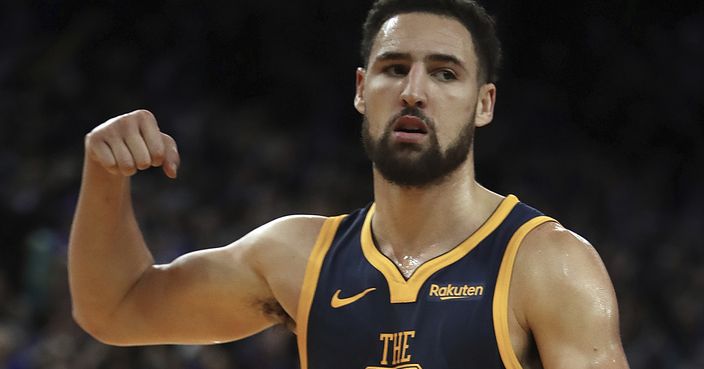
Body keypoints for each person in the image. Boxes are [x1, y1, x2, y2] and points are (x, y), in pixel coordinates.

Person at [68, 0, 630, 368]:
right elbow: (116, 309)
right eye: (393, 68)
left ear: (484, 104)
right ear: (362, 90)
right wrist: (105, 180)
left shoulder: (548, 263)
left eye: (444, 72)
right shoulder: (295, 258)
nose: (414, 91)